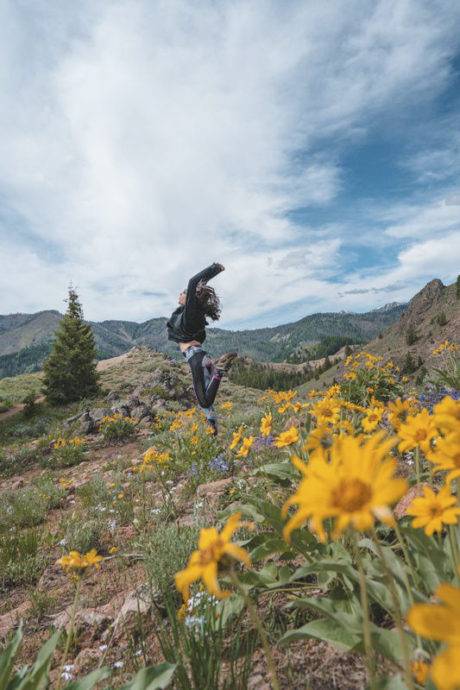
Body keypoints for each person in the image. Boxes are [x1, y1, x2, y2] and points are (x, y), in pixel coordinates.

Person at [166, 262, 238, 435]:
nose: (179, 295)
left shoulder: (191, 312)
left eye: (182, 293)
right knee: (205, 399)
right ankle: (212, 428)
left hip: (196, 358)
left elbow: (193, 282)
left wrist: (214, 269)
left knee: (203, 400)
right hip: (200, 357)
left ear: (190, 297)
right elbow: (194, 290)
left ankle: (218, 374)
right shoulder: (193, 314)